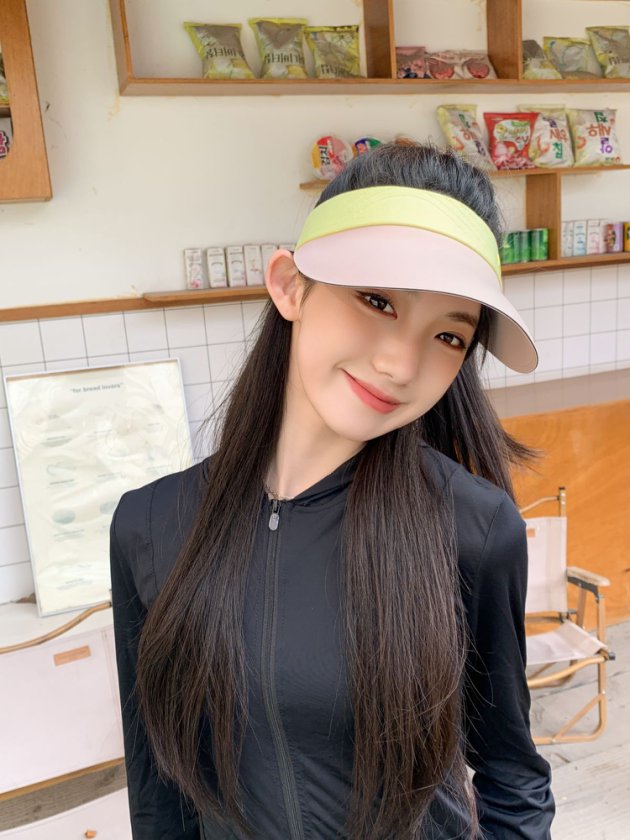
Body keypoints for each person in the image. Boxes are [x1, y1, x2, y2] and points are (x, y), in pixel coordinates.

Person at [110, 141, 555, 840]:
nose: (401, 364)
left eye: (448, 336)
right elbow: (157, 789)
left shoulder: (472, 528)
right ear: (291, 285)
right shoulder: (150, 525)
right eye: (377, 301)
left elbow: (513, 777)